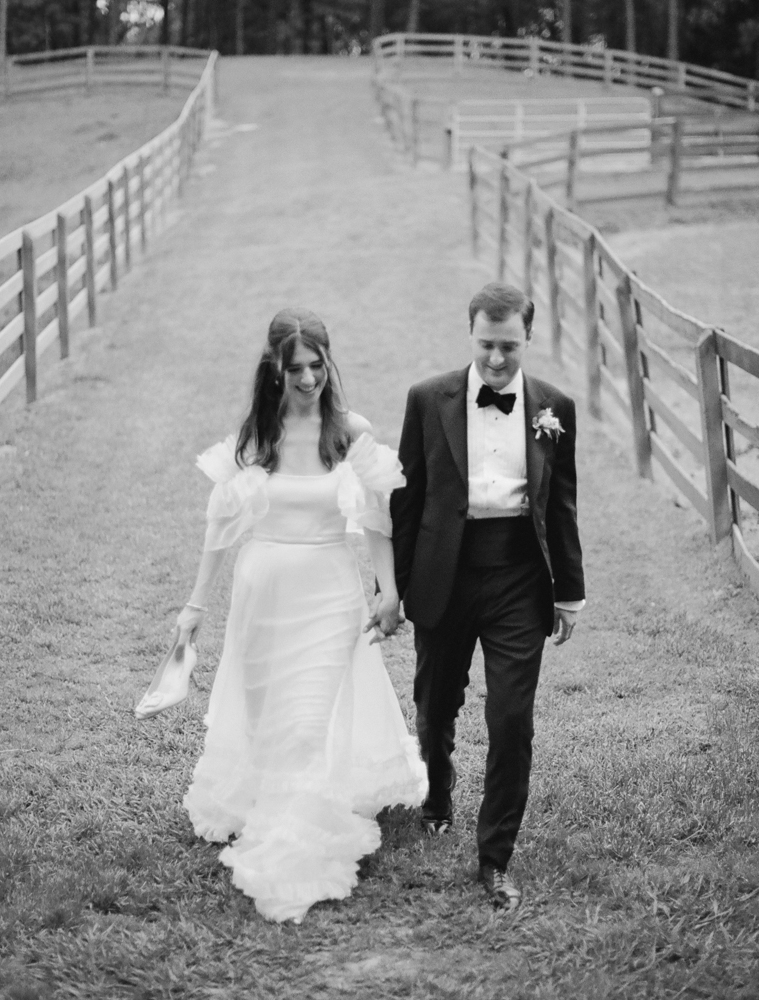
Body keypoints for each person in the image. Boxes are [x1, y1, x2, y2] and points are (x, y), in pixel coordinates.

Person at [164, 307, 426, 924]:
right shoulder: (257, 435)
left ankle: (300, 840)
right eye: (295, 369)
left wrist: (389, 591)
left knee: (309, 723)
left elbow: (375, 520)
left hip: (330, 592)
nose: (308, 378)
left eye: (317, 366)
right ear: (275, 370)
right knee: (271, 718)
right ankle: (277, 800)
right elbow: (221, 525)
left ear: (329, 362)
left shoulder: (349, 430)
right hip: (263, 594)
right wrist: (195, 605)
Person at [390, 282, 585, 912]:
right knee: (435, 703)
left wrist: (570, 593)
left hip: (519, 581)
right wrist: (391, 588)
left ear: (528, 338)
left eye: (509, 346)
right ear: (469, 334)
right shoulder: (428, 399)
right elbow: (407, 497)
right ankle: (436, 796)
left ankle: (495, 859)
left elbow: (561, 503)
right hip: (444, 572)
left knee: (510, 719)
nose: (497, 359)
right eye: (485, 345)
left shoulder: (555, 406)